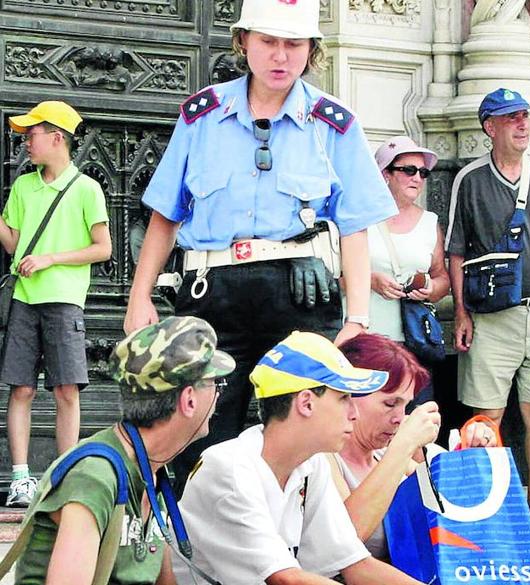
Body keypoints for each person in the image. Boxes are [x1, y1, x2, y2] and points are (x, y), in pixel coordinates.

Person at [123, 0, 397, 488]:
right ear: (243, 41)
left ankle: (290, 550)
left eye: (294, 44)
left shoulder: (334, 125)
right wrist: (139, 296)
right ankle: (197, 553)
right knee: (197, 431)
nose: (280, 56)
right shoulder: (201, 116)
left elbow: (355, 226)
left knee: (303, 435)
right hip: (212, 293)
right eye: (268, 41)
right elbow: (166, 213)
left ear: (312, 51)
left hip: (300, 299)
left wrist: (357, 317)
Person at [175, 331, 429, 585]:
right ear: (306, 403)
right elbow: (287, 580)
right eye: (343, 398)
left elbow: (357, 565)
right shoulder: (229, 468)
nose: (353, 413)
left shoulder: (311, 463)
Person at [8, 316, 235, 585]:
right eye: (214, 384)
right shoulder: (95, 477)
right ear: (189, 400)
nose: (219, 394)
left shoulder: (151, 471)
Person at [445, 88, 530, 539]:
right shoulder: (470, 180)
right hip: (492, 319)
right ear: (490, 127)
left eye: (525, 116)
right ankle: (486, 512)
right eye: (511, 118)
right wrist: (461, 313)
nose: (523, 124)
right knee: (487, 419)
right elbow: (456, 252)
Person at [0, 101, 112, 508]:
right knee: (22, 389)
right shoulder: (23, 186)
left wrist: (51, 258)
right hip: (24, 300)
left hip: (65, 301)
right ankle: (20, 478)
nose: (26, 142)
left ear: (56, 137)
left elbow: (103, 248)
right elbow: (13, 243)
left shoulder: (87, 189)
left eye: (32, 135)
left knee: (67, 390)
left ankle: (65, 473)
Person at [330, 333, 497, 561]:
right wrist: (404, 444)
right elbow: (346, 539)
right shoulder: (323, 458)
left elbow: (452, 503)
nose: (399, 417)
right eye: (390, 403)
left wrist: (470, 452)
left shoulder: (383, 453)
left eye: (406, 405)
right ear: (348, 395)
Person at [368, 136, 449, 351]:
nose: (418, 178)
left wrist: (429, 288)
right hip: (366, 340)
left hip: (415, 341)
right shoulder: (360, 220)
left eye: (423, 173)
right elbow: (333, 279)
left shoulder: (430, 222)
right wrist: (370, 281)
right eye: (409, 170)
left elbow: (441, 276)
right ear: (385, 173)